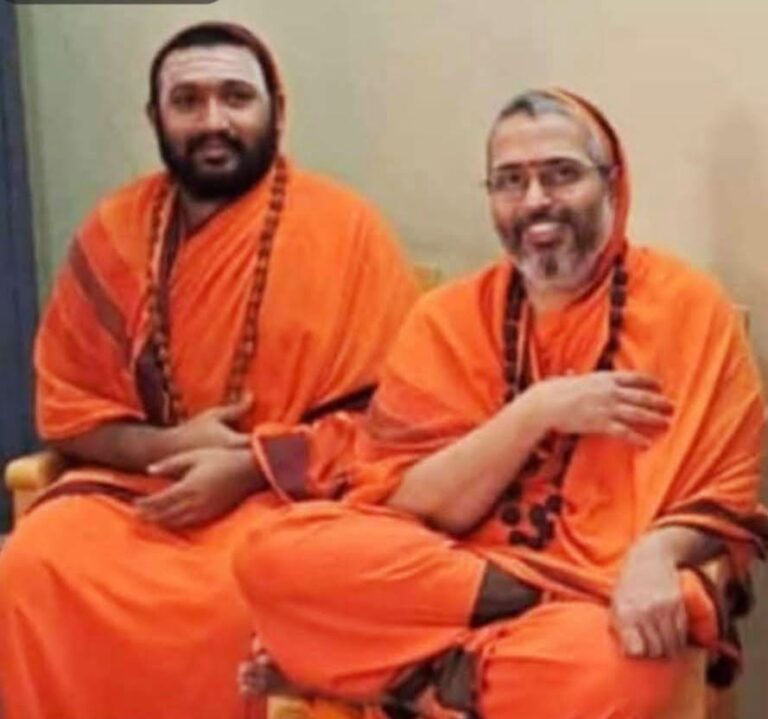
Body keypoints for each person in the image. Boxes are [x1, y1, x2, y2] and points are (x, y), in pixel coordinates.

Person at [233, 89, 767, 719]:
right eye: (511, 181)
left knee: (633, 672)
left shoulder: (688, 309)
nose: (535, 200)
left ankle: (398, 682)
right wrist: (535, 412)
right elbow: (416, 504)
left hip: (602, 601)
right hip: (468, 575)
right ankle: (482, 652)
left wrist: (656, 554)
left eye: (561, 174)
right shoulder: (446, 318)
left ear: (612, 183)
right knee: (271, 554)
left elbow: (725, 496)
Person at [0, 21, 418, 719]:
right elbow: (67, 411)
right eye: (188, 101)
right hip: (139, 488)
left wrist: (251, 465)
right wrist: (165, 444)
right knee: (28, 567)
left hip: (285, 495)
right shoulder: (115, 230)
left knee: (241, 601)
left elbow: (393, 423)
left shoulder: (348, 232)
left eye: (235, 97)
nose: (213, 120)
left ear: (276, 110)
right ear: (155, 117)